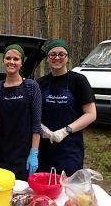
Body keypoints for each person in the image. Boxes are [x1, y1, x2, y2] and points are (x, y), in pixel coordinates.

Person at [37, 39, 96, 176]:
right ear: (47, 59)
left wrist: (65, 131)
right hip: (45, 147)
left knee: (68, 188)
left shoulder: (79, 81)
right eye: (52, 54)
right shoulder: (41, 83)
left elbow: (91, 114)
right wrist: (40, 128)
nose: (57, 57)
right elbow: (33, 112)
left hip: (70, 148)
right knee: (46, 187)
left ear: (67, 57)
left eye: (61, 54)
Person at [0, 44, 41, 181]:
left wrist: (34, 152)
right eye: (8, 58)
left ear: (21, 63)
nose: (11, 62)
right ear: (3, 61)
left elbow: (37, 123)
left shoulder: (31, 86)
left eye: (16, 59)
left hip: (23, 152)